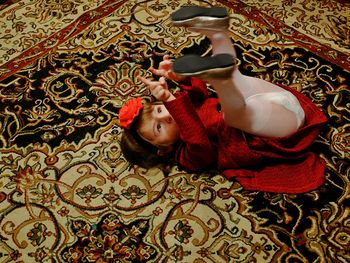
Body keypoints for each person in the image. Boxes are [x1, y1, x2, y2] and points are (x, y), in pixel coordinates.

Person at [119, 6, 327, 193]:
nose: (165, 117)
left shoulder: (185, 107)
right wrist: (172, 101)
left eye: (158, 110)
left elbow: (200, 95)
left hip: (276, 101)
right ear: (163, 150)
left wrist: (179, 77)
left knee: (238, 82)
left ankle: (220, 49)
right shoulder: (186, 156)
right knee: (232, 113)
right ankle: (220, 54)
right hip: (275, 133)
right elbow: (199, 143)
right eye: (158, 128)